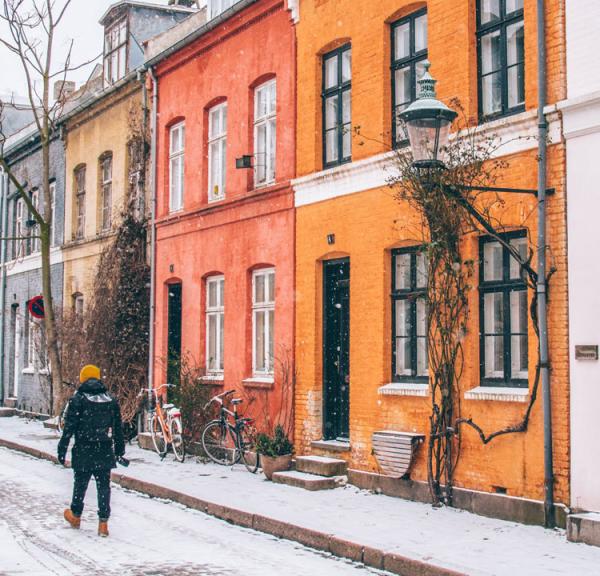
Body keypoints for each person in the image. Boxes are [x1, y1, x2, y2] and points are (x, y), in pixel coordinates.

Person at [57, 364, 125, 537]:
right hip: (104, 448)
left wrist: (62, 448)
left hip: (83, 448)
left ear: (83, 379)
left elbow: (69, 427)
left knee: (80, 483)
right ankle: (103, 523)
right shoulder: (111, 399)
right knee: (104, 487)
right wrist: (119, 450)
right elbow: (118, 428)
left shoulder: (78, 399)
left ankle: (76, 515)